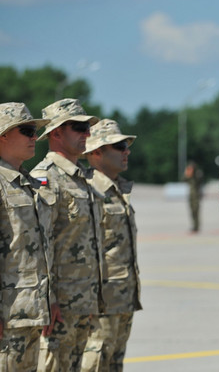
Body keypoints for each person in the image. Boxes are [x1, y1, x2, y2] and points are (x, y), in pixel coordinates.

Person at [31, 98, 104, 371]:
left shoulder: (81, 178)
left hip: (83, 300)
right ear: (56, 133)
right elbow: (39, 244)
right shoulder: (45, 178)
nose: (87, 134)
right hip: (59, 305)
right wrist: (47, 299)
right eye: (78, 127)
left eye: (87, 127)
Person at [81, 119, 142, 371]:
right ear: (96, 152)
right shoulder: (87, 191)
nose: (126, 151)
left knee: (114, 364)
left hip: (122, 297)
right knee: (93, 364)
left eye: (126, 145)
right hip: (99, 302)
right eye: (119, 146)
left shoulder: (117, 189)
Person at [0, 102, 52, 371]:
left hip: (30, 311)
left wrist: (48, 301)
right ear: (4, 135)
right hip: (7, 315)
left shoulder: (29, 183)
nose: (34, 137)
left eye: (34, 132)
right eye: (26, 131)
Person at [184, 160, 203, 233]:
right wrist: (187, 172)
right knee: (192, 211)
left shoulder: (198, 174)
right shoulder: (190, 174)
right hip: (191, 195)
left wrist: (194, 173)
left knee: (196, 211)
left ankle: (197, 226)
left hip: (196, 195)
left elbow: (200, 180)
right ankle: (194, 226)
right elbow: (184, 179)